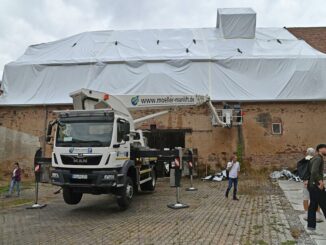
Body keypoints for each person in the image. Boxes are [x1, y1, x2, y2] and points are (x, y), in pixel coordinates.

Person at [297, 148, 323, 222]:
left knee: (306, 198)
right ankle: (317, 214)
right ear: (314, 153)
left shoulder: (303, 161)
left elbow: (301, 170)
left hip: (307, 181)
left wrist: (305, 179)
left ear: (306, 153)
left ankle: (307, 214)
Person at [307, 144, 326, 230]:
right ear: (320, 149)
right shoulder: (318, 158)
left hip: (312, 185)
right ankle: (311, 225)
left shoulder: (315, 158)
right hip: (316, 185)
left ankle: (311, 226)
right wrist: (321, 182)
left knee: (313, 205)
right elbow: (314, 171)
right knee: (324, 204)